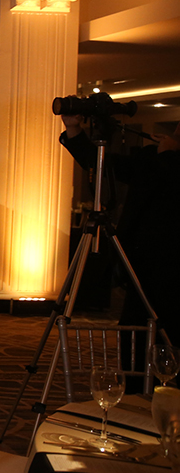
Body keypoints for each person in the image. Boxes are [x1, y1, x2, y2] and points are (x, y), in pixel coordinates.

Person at [59, 114, 180, 345]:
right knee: (133, 334)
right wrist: (74, 130)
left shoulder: (166, 159)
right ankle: (135, 381)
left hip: (174, 270)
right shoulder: (151, 158)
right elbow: (104, 164)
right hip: (140, 264)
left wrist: (167, 154)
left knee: (170, 337)